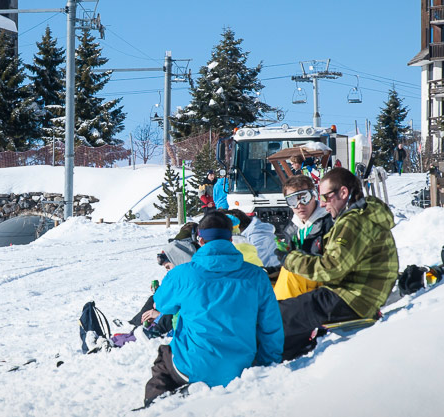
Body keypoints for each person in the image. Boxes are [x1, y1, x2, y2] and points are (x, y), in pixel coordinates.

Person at [142, 214, 284, 407]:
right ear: (230, 239)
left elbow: (161, 304)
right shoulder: (257, 275)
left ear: (200, 240)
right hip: (240, 368)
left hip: (191, 368)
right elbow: (271, 326)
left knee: (164, 359)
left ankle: (154, 407)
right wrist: (267, 365)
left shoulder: (183, 274)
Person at [278, 167, 398, 360]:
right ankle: (288, 349)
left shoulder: (353, 221)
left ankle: (274, 352)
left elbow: (332, 268)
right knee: (291, 309)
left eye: (326, 197)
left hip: (354, 297)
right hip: (353, 291)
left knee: (280, 313)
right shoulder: (357, 216)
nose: (324, 204)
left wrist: (289, 258)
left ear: (343, 192)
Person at [272, 175, 334, 300]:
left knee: (290, 273)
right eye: (292, 201)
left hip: (323, 282)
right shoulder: (292, 228)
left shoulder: (329, 223)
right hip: (303, 280)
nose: (299, 205)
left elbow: (333, 265)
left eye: (304, 198)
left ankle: (280, 314)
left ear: (314, 196)